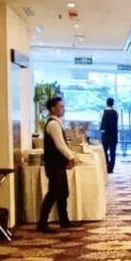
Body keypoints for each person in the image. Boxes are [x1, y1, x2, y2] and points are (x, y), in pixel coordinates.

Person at [37, 96, 76, 233]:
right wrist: (71, 157)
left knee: (63, 192)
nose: (63, 109)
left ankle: (64, 220)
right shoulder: (53, 124)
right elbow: (60, 144)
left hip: (58, 163)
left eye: (63, 106)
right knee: (53, 193)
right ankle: (42, 223)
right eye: (60, 106)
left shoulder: (57, 123)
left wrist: (66, 159)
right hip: (54, 165)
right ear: (53, 109)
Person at [99, 97, 119, 174]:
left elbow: (101, 124)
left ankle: (106, 164)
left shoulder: (102, 112)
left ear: (106, 103)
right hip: (113, 135)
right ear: (113, 104)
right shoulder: (115, 113)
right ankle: (111, 168)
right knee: (112, 152)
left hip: (105, 135)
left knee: (104, 151)